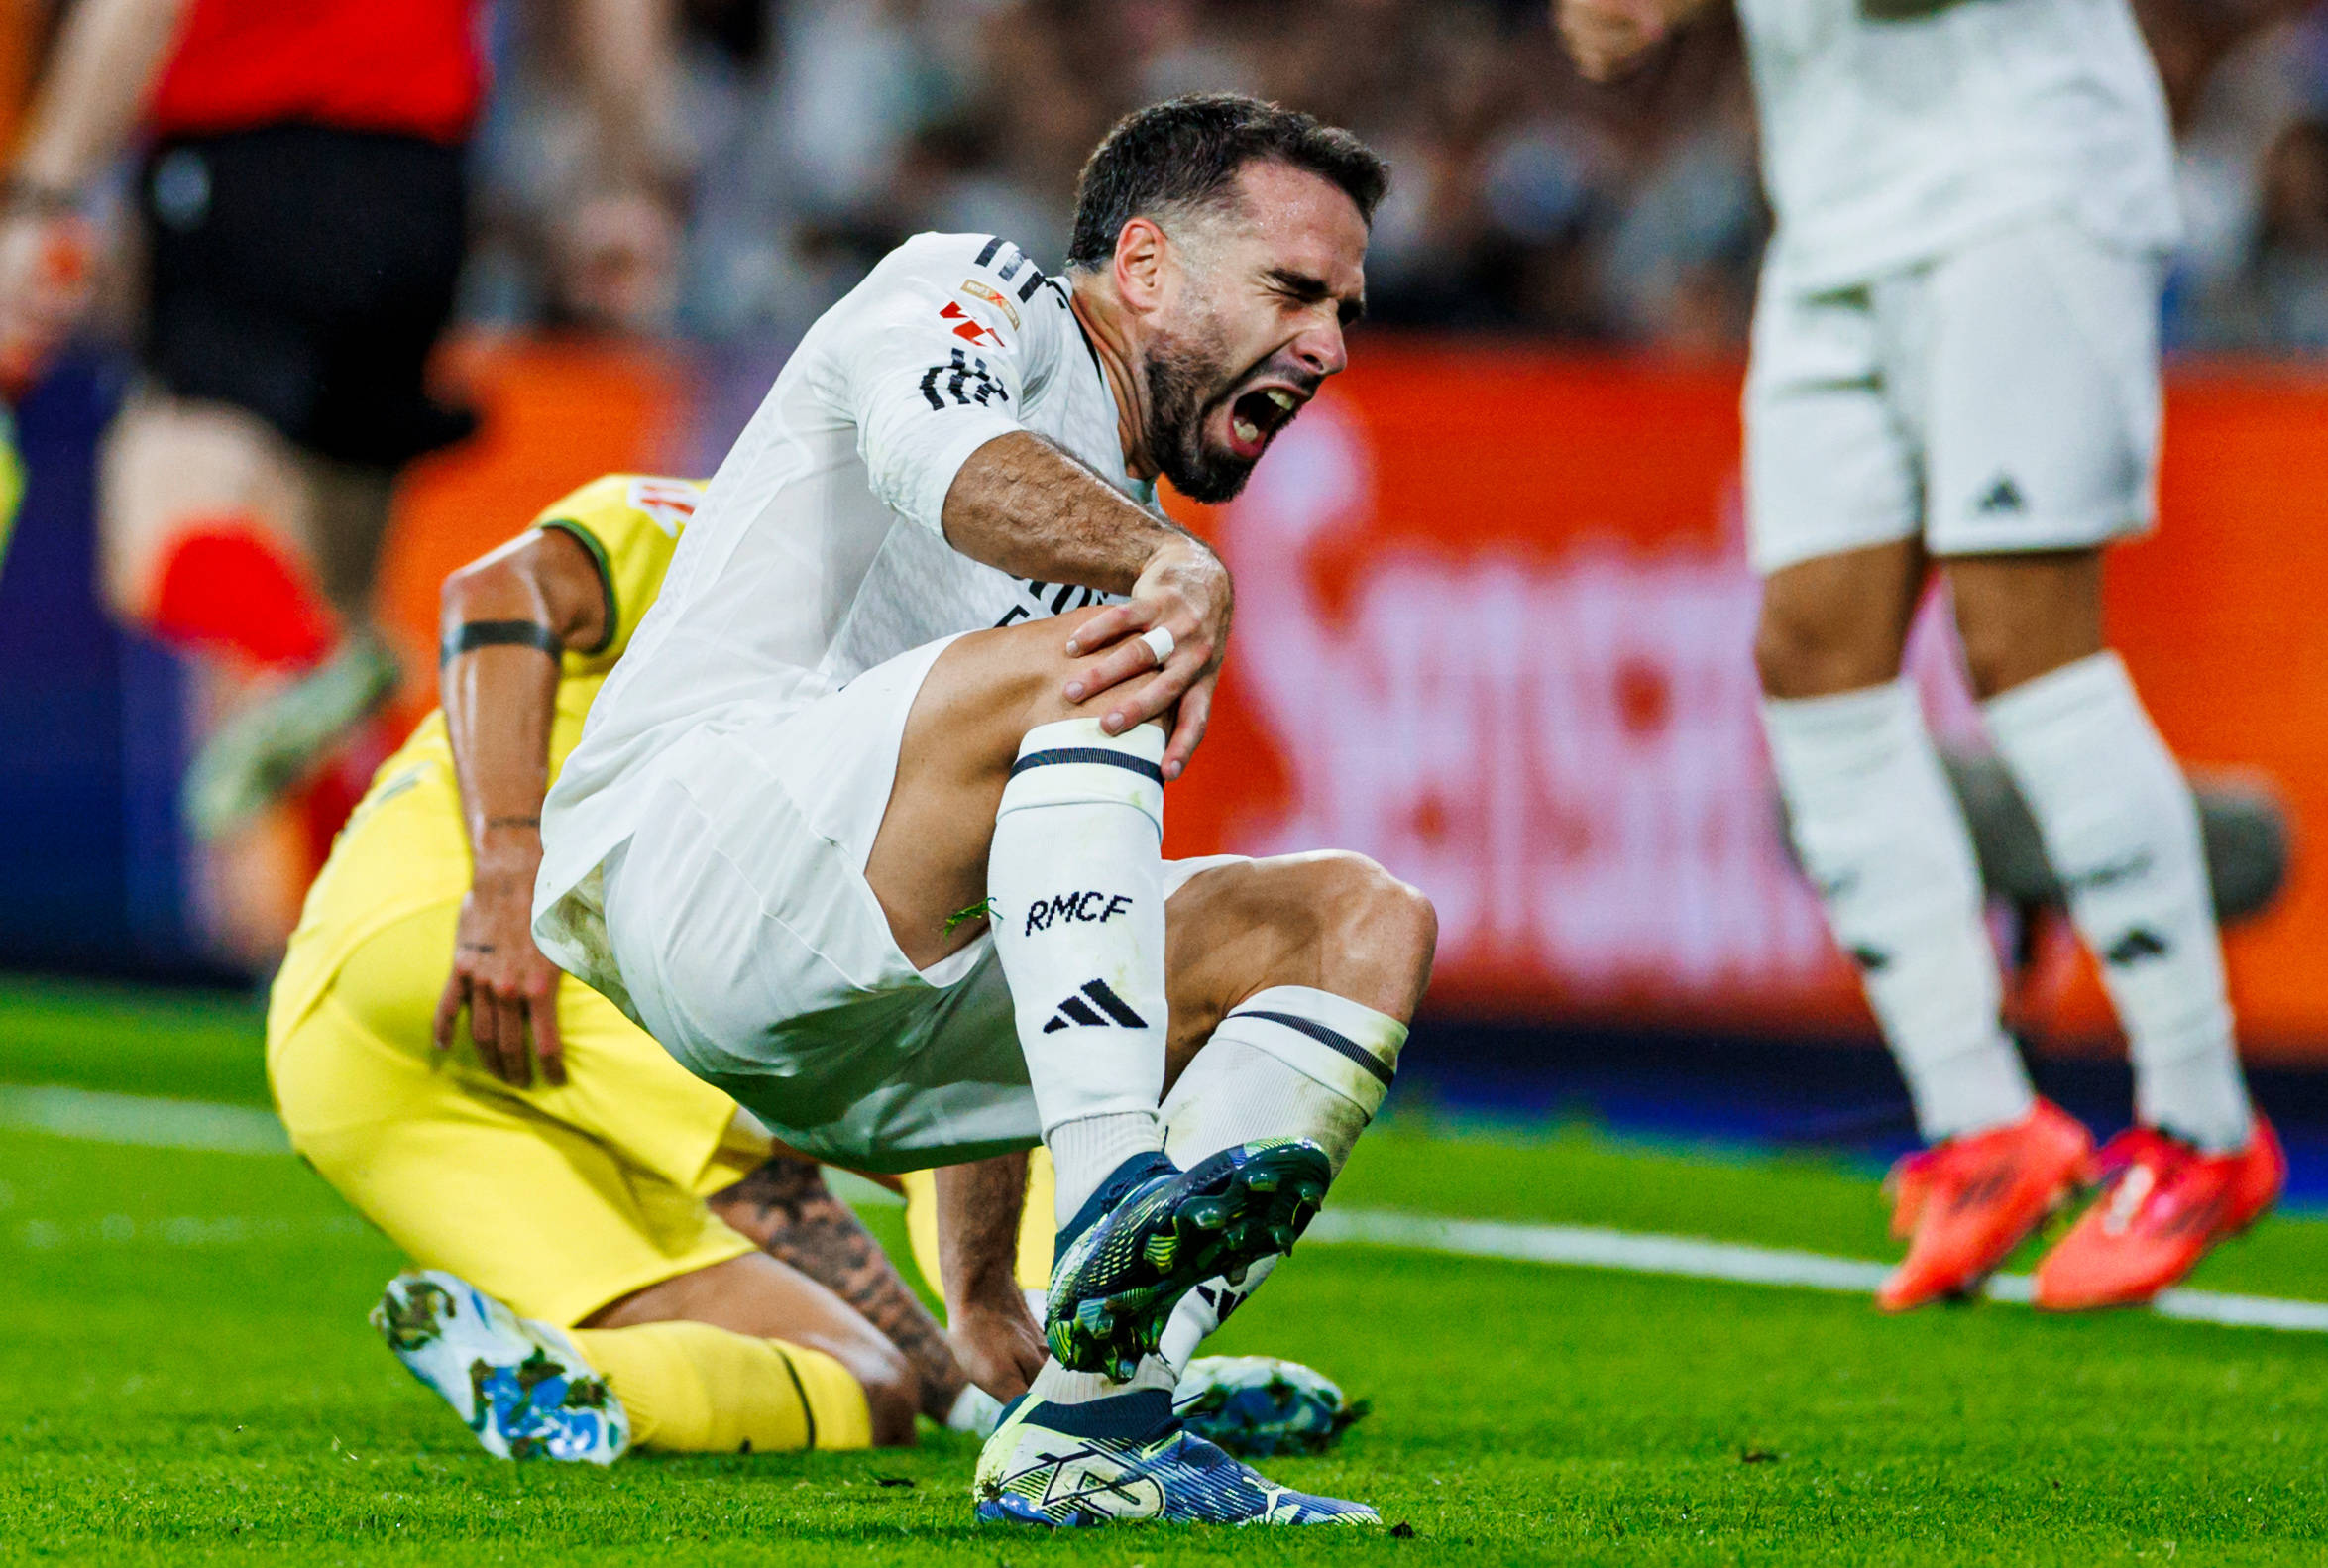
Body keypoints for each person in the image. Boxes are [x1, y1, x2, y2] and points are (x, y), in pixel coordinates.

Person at [532, 95, 1432, 1526]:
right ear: (1142, 266)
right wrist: (1165, 565)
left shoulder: (1114, 525)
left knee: (1356, 922)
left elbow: (1039, 906)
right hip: (696, 866)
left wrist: (975, 1281)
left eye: (1344, 308)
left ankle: (1091, 1412)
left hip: (878, 1015)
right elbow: (940, 466)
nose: (1327, 344)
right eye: (1293, 290)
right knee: (1105, 652)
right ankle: (1119, 1192)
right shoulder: (965, 296)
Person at [273, 471, 1368, 1466]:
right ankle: (1092, 1370)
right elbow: (495, 592)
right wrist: (509, 871)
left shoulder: (921, 652)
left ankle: (578, 1381)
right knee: (933, 1104)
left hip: (342, 1071)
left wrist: (956, 1379)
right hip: (483, 922)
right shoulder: (745, 534)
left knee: (863, 1380)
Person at [1555, 0, 2282, 1312]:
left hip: (2022, 180)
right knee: (1811, 650)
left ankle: (2205, 1123)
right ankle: (1981, 1126)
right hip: (1838, 206)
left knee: (2022, 641)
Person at [0, 0, 679, 962]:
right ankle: (376, 952)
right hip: (421, 198)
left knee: (161, 538)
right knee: (346, 612)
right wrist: (626, 181)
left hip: (245, 165)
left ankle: (310, 659)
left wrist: (44, 197)